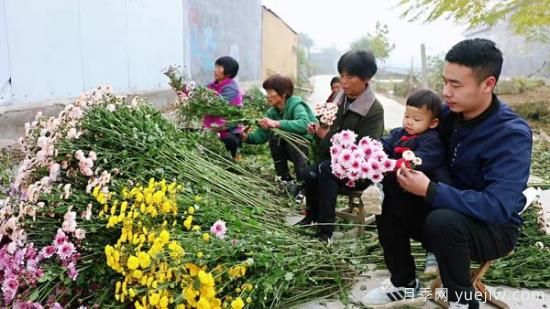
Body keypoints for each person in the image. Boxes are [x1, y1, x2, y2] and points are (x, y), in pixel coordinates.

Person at [362, 38, 532, 309]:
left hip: (490, 229)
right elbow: (406, 133)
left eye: (456, 85)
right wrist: (373, 152)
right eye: (445, 82)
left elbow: (497, 207)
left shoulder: (510, 135)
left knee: (444, 220)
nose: (446, 92)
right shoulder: (448, 115)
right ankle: (404, 284)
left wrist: (430, 190)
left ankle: (462, 301)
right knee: (390, 191)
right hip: (441, 210)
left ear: (488, 84)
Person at [296, 50, 385, 242]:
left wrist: (326, 136)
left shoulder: (374, 109)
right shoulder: (338, 100)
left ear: (366, 78)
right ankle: (312, 216)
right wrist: (317, 131)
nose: (343, 81)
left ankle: (325, 229)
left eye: (350, 76)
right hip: (331, 161)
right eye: (342, 75)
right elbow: (325, 130)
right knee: (310, 172)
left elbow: (366, 147)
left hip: (356, 169)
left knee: (325, 170)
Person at [241, 74, 317, 184]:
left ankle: (304, 182)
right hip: (290, 148)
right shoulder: (272, 112)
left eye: (270, 92)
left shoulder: (296, 105)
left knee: (292, 142)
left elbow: (304, 124)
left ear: (284, 93)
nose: (267, 96)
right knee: (275, 140)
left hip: (307, 148)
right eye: (266, 92)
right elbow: (262, 135)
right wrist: (247, 137)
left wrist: (276, 123)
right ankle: (284, 179)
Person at [203, 56, 244, 159]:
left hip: (228, 128)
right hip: (212, 127)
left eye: (219, 68)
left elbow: (217, 105)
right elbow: (200, 97)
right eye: (216, 67)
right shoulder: (211, 86)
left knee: (229, 141)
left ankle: (233, 158)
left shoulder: (230, 88)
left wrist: (202, 100)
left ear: (228, 72)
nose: (215, 70)